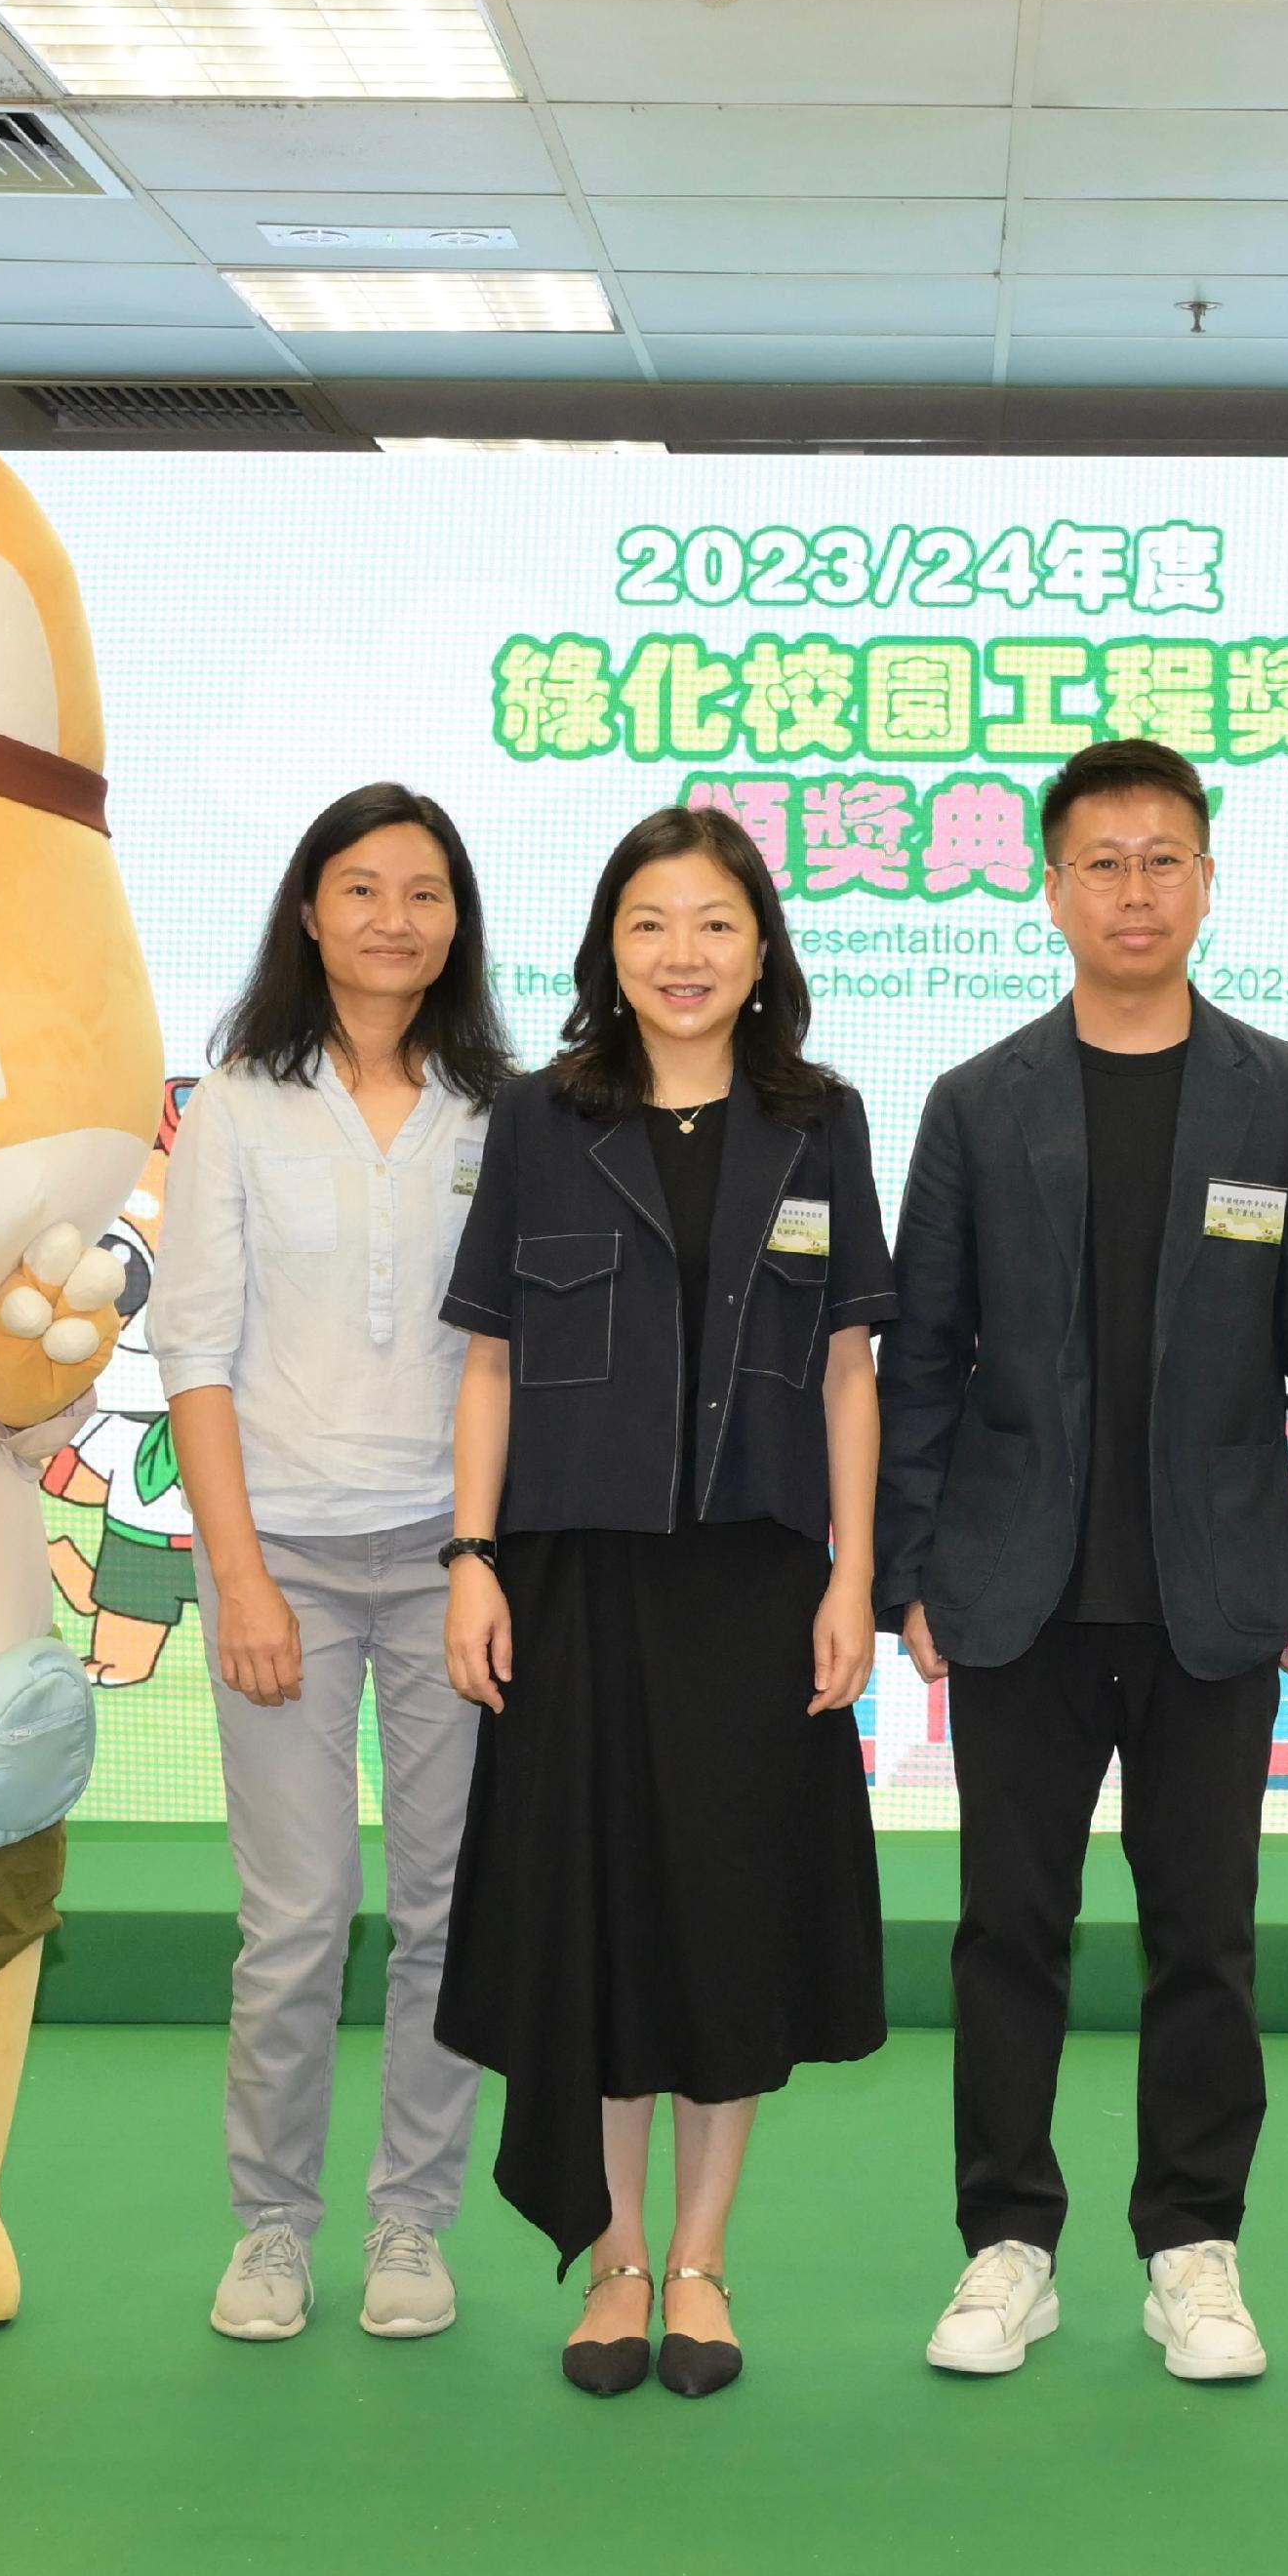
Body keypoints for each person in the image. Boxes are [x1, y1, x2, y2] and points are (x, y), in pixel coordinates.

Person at [878, 738, 1288, 2385]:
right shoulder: (975, 1103)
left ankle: (1194, 2247)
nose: (1136, 890)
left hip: (1221, 1598)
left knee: (1204, 1938)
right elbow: (924, 1357)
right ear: (1049, 884)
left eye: (1166, 858)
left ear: (1209, 882)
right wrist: (908, 1571)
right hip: (1016, 1596)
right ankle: (1005, 2247)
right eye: (1104, 861)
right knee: (1005, 1933)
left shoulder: (1286, 1097)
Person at [434, 803, 895, 2402]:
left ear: (762, 946)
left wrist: (855, 1573)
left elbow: (849, 1370)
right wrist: (471, 1558)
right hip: (577, 1577)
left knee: (726, 1918)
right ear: (605, 949)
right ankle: (613, 2260)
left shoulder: (820, 1122)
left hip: (759, 1582)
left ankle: (702, 2260)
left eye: (713, 923)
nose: (682, 954)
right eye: (650, 923)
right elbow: (490, 1359)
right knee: (598, 1915)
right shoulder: (544, 1118)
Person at [151, 782, 516, 2349]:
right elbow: (195, 1348)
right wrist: (235, 1576)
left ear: (458, 922)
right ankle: (272, 2230)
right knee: (297, 1922)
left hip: (453, 1562)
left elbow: (518, 1351)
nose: (392, 919)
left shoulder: (511, 1108)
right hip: (282, 1562)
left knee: (446, 1916)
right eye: (359, 888)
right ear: (308, 911)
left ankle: (413, 2225)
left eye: (423, 892)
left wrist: (489, 1555)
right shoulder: (236, 1099)